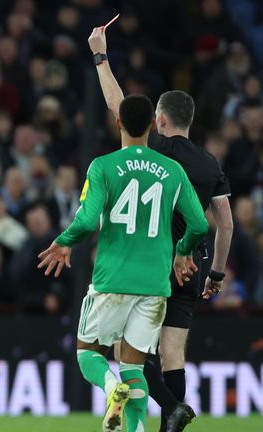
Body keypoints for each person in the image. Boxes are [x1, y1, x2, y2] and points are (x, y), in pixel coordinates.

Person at [88, 25, 234, 432]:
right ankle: (173, 418)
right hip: (195, 265)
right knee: (173, 353)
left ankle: (170, 408)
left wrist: (101, 57)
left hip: (153, 261)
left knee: (124, 349)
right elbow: (225, 223)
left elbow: (119, 107)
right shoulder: (210, 164)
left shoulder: (157, 150)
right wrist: (216, 273)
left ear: (159, 119)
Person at [38, 94, 208, 432]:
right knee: (135, 367)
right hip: (155, 286)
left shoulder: (103, 165)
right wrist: (184, 250)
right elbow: (200, 225)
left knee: (88, 353)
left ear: (117, 123)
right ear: (151, 126)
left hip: (112, 280)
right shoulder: (172, 170)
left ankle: (108, 388)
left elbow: (86, 222)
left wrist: (63, 241)